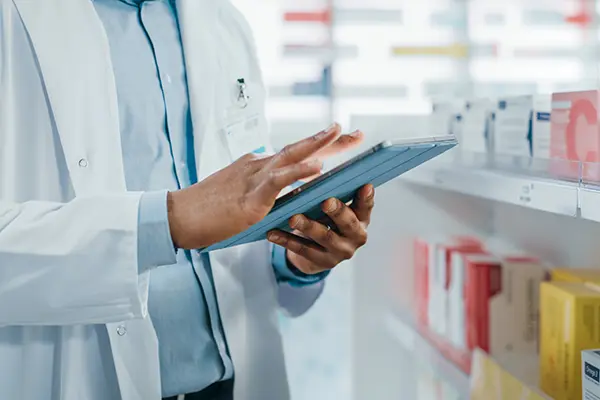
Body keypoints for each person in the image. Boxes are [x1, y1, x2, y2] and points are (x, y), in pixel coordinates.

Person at [0, 1, 375, 399]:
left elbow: (234, 217)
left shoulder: (222, 21)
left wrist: (295, 254)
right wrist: (168, 220)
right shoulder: (16, 20)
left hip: (228, 384)